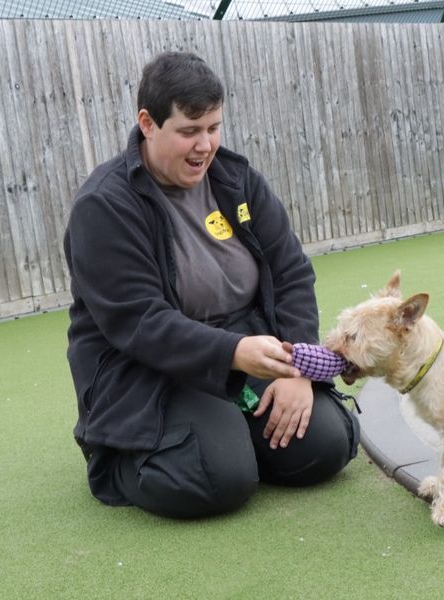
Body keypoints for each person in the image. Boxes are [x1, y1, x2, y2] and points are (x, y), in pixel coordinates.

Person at [63, 51, 359, 519]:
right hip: (147, 369)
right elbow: (139, 321)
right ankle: (115, 458)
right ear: (147, 123)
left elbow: (291, 273)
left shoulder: (236, 178)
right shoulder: (104, 206)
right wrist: (232, 353)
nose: (205, 145)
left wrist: (297, 367)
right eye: (188, 131)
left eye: (214, 128)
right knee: (219, 478)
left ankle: (234, 433)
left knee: (326, 445)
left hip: (245, 346)